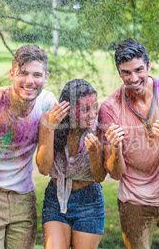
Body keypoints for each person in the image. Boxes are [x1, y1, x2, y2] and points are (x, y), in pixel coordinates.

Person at [98, 38, 159, 249]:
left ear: (149, 66)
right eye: (126, 72)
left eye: (139, 70)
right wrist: (115, 149)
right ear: (119, 73)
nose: (134, 78)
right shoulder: (109, 108)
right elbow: (114, 174)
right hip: (134, 202)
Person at [0, 45, 57, 248]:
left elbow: (45, 168)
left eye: (37, 74)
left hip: (23, 199)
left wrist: (49, 128)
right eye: (23, 73)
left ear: (45, 76)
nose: (30, 81)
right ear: (12, 74)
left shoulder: (47, 105)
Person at [37, 79, 107, 248]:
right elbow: (43, 169)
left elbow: (99, 177)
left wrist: (93, 154)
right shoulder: (49, 120)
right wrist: (50, 128)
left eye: (94, 107)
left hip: (89, 201)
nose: (92, 114)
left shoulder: (98, 127)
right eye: (85, 110)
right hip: (55, 199)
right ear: (67, 110)